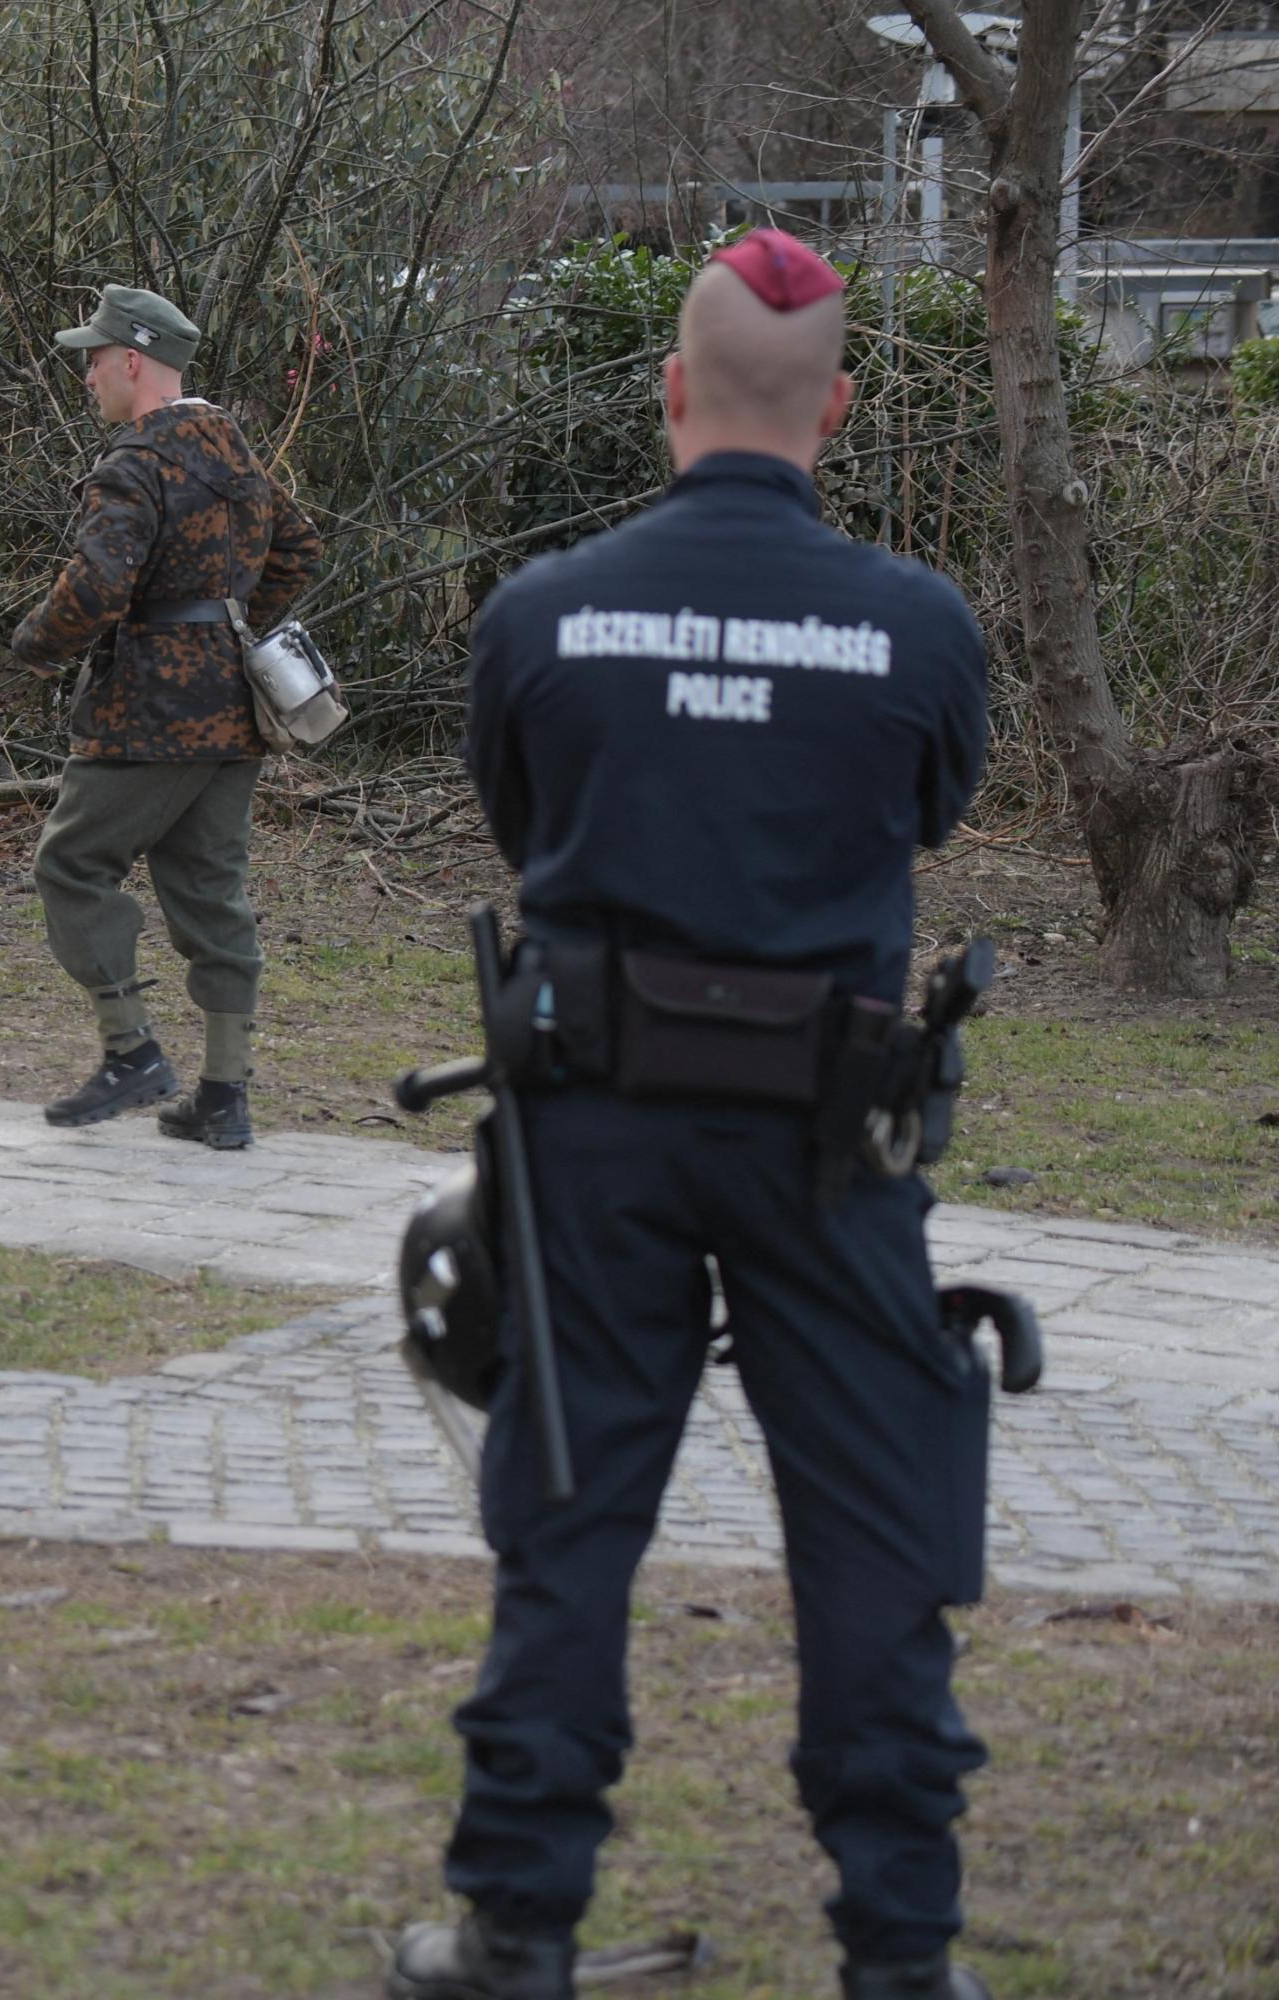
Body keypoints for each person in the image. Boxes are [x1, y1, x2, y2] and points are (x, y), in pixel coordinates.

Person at [385, 230, 994, 2000]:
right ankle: (905, 1953)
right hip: (835, 1140)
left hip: (598, 1134)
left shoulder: (543, 613)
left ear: (670, 391)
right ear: (845, 409)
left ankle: (515, 1927)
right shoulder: (917, 624)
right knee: (876, 1540)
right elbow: (929, 802)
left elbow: (523, 813)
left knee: (570, 1523)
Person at [10, 284, 323, 1151]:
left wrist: (37, 644)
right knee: (210, 892)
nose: (87, 377)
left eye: (95, 359)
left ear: (134, 362)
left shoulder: (135, 462)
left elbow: (99, 586)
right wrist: (228, 619)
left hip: (147, 713)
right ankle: (225, 1097)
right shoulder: (235, 455)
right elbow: (299, 548)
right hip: (236, 712)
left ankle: (132, 1051)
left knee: (72, 865)